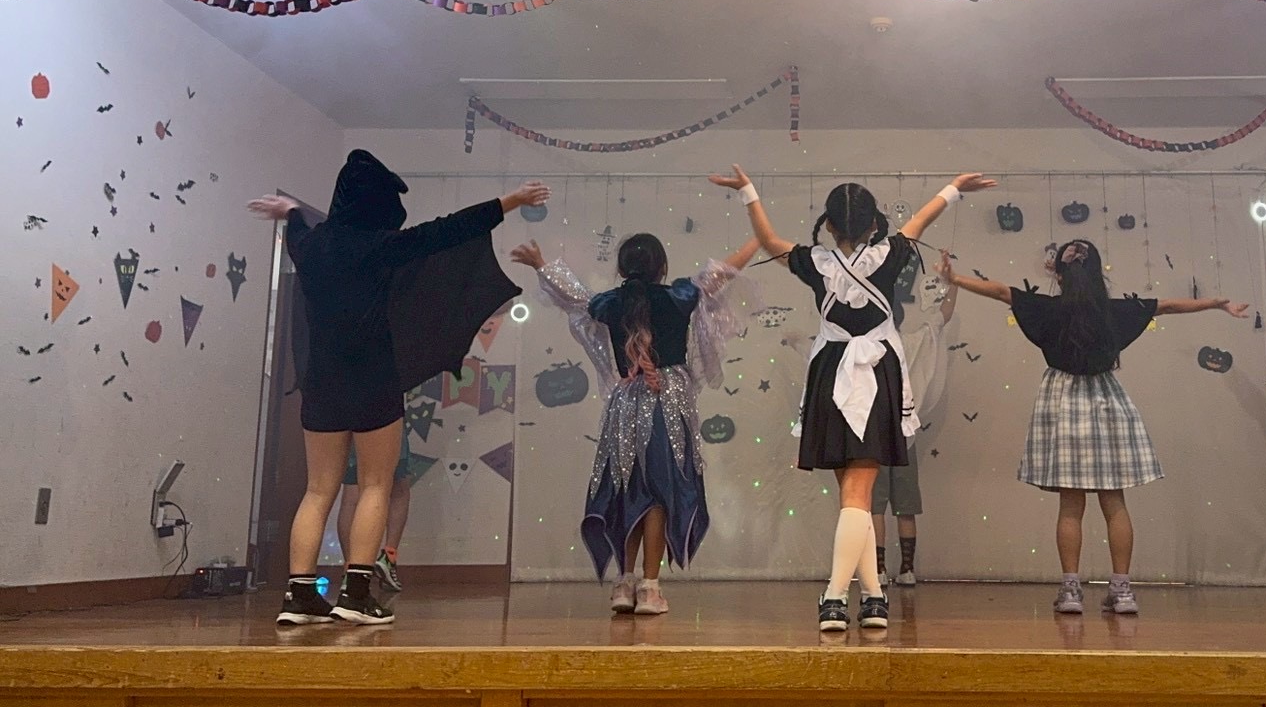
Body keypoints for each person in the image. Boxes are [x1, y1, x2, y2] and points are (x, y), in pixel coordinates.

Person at [250, 151, 546, 626]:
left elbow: (300, 228)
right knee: (376, 484)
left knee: (319, 489)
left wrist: (291, 212)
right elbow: (452, 228)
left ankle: (298, 595)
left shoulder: (311, 246)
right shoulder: (382, 246)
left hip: (320, 381)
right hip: (373, 377)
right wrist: (511, 200)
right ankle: (356, 595)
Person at [710, 166, 997, 631]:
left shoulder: (815, 263)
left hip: (830, 372)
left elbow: (767, 239)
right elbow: (922, 218)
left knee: (853, 496)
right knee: (857, 497)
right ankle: (845, 598)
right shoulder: (891, 253)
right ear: (873, 223)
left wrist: (748, 191)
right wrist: (954, 189)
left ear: (828, 224)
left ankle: (858, 596)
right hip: (877, 373)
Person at [938, 241, 1248, 617]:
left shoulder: (1047, 308)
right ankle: (1122, 592)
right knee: (1114, 502)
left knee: (1071, 505)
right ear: (1099, 273)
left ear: (1058, 274)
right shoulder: (1114, 312)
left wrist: (955, 278)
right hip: (1107, 401)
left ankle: (1071, 591)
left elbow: (1002, 291)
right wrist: (1215, 303)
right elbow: (1166, 306)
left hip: (1061, 401)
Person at [512, 233, 759, 616]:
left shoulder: (611, 304)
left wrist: (541, 265)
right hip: (669, 401)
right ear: (662, 267)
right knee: (659, 494)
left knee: (629, 487)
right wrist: (757, 241)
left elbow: (572, 296)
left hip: (626, 404)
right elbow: (721, 273)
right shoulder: (679, 296)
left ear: (622, 268)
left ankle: (624, 584)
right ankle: (650, 588)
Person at [874, 265, 959, 586]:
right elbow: (942, 317)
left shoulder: (864, 350)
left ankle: (878, 571)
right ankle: (907, 571)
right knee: (905, 506)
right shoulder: (913, 342)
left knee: (874, 508)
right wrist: (954, 283)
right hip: (905, 437)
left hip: (873, 438)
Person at [335, 437, 412, 593]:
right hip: (385, 425)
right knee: (398, 488)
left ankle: (350, 569)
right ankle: (388, 557)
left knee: (351, 495)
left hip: (343, 426)